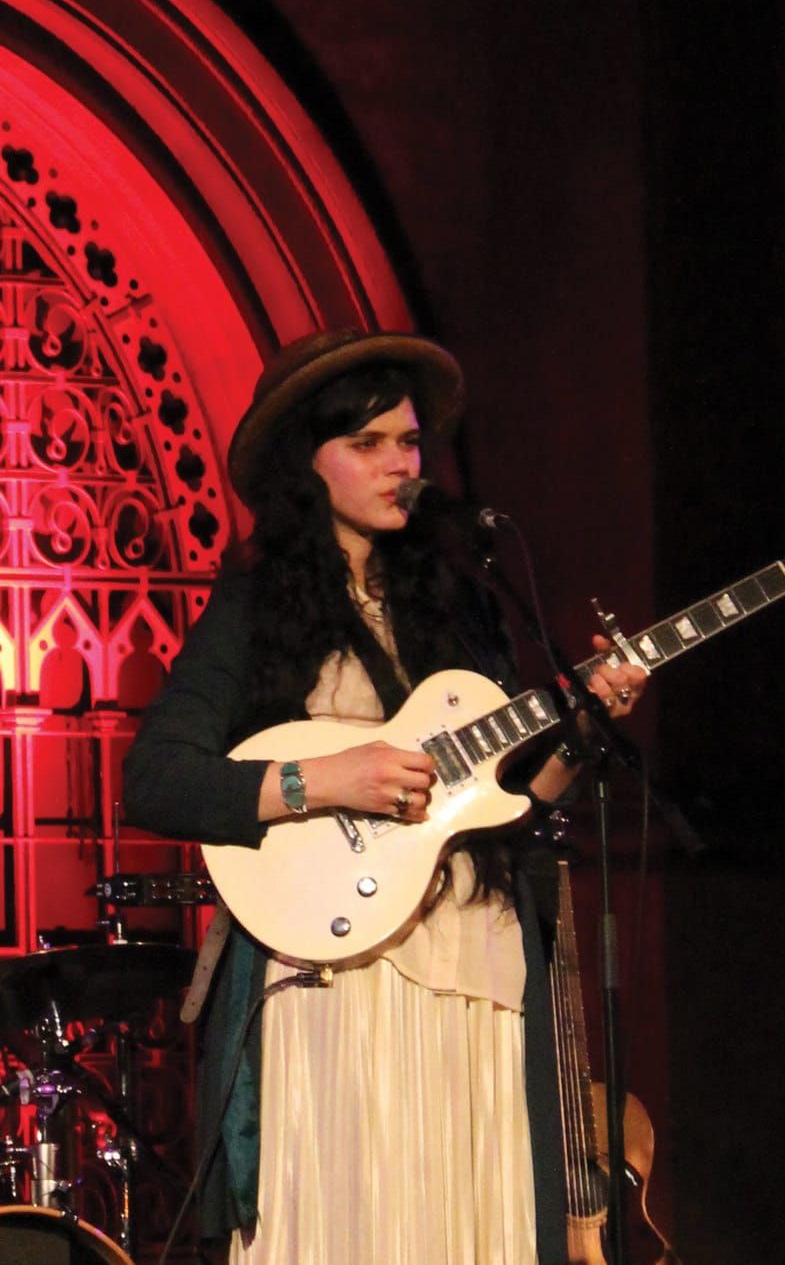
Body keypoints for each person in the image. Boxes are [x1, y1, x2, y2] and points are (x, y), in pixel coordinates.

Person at [123, 328, 648, 1265]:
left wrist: (583, 728)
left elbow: (514, 808)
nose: (399, 464)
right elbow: (157, 778)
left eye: (407, 442)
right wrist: (326, 777)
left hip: (474, 975)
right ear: (306, 465)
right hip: (336, 990)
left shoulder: (462, 608)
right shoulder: (254, 610)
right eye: (367, 444)